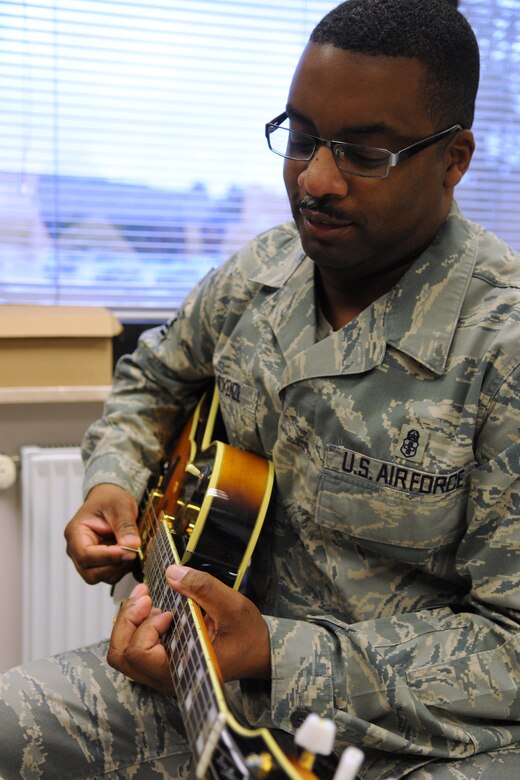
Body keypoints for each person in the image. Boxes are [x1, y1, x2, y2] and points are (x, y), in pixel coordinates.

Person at [2, 0, 520, 777]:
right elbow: (152, 379)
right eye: (302, 139)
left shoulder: (502, 347)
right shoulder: (261, 271)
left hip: (407, 738)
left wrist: (277, 652)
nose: (314, 180)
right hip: (213, 686)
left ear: (454, 159)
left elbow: (511, 647)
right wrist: (112, 482)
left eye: (363, 154)